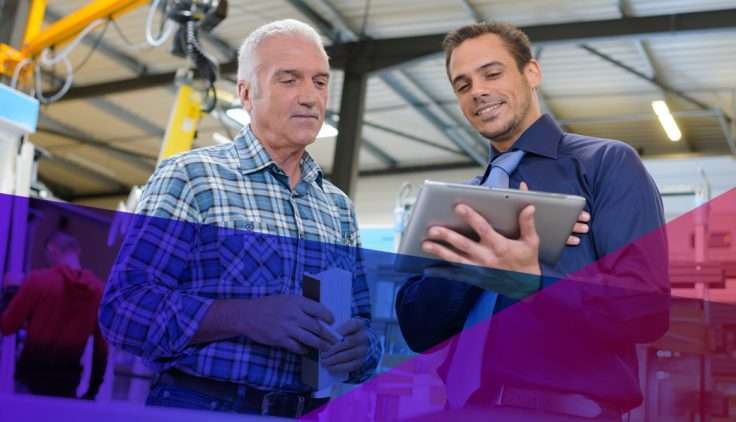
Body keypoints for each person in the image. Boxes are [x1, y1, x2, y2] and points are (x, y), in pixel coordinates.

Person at [99, 19, 381, 418]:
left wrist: (363, 347)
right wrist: (243, 316)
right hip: (202, 406)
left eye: (319, 82)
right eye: (289, 80)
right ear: (247, 95)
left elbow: (365, 324)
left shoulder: (337, 207)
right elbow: (124, 311)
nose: (310, 97)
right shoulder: (193, 179)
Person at [395, 22, 669, 420]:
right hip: (462, 409)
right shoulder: (457, 206)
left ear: (532, 72)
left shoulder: (605, 165)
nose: (478, 91)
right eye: (462, 84)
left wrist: (535, 281)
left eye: (492, 73)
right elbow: (418, 329)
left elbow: (646, 309)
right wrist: (471, 260)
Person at [0, 231, 107, 400]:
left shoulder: (37, 280)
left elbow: (6, 326)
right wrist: (92, 392)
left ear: (51, 250)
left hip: (29, 384)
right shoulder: (99, 291)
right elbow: (101, 349)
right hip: (67, 387)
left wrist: (10, 291)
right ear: (77, 251)